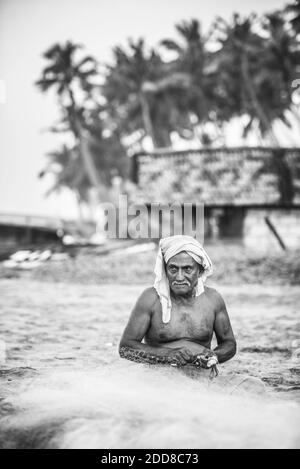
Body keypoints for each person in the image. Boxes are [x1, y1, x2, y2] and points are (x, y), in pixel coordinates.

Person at [119, 235, 236, 374]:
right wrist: (167, 355)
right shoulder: (150, 299)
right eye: (173, 269)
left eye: (187, 269)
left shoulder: (213, 299)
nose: (179, 277)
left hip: (202, 378)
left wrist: (214, 356)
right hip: (159, 379)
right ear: (165, 270)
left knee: (254, 387)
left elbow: (229, 344)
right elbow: (125, 349)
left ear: (199, 271)